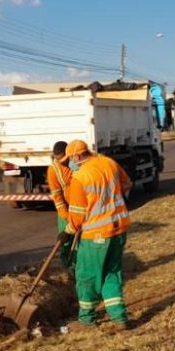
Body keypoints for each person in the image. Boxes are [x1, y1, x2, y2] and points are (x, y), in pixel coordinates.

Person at [58, 139, 132, 331]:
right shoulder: (108, 162)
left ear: (76, 156)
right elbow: (127, 184)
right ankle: (119, 317)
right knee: (111, 273)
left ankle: (87, 320)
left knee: (87, 276)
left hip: (96, 235)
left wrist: (66, 233)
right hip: (119, 230)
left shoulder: (80, 177)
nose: (68, 164)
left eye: (69, 160)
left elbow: (77, 215)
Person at [47, 141, 74, 270]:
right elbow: (58, 199)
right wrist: (69, 219)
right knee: (66, 243)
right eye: (59, 160)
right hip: (67, 211)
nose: (63, 162)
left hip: (85, 210)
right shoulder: (53, 170)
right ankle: (70, 270)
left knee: (85, 244)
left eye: (65, 159)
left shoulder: (80, 163)